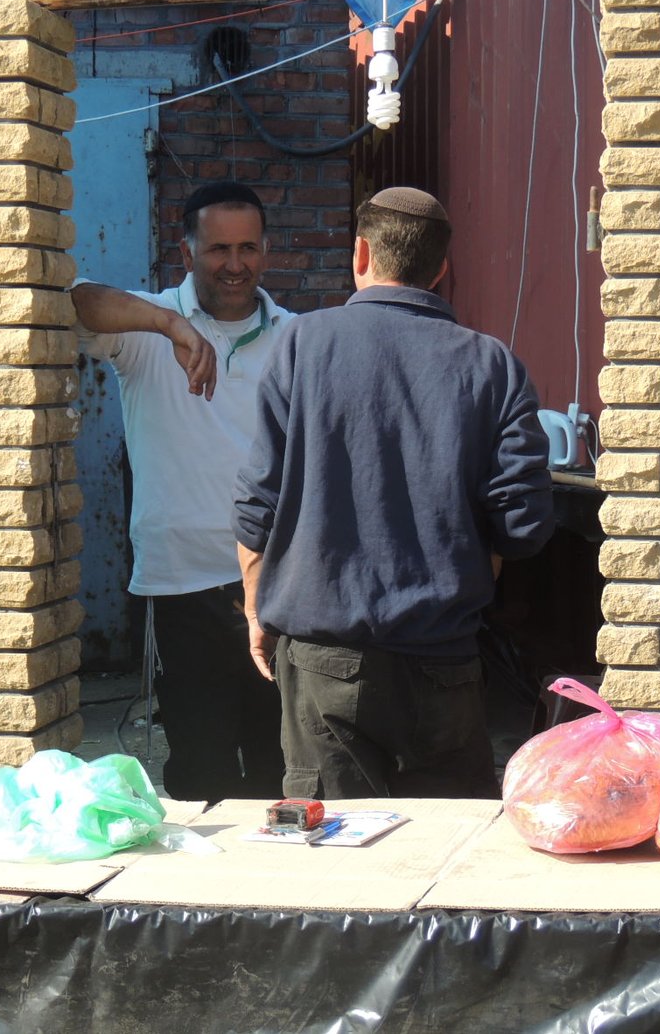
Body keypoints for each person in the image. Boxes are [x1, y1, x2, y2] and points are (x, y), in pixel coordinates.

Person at [231, 186, 555, 801]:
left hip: (323, 661)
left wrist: (256, 611)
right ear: (440, 268)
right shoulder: (494, 365)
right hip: (445, 660)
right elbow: (523, 525)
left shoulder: (302, 344)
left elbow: (257, 505)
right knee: (445, 853)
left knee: (336, 850)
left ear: (360, 254)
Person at [71, 181, 292, 803]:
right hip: (181, 586)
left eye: (248, 248)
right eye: (219, 248)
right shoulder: (145, 326)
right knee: (200, 768)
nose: (234, 264)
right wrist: (170, 324)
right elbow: (73, 301)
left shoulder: (295, 337)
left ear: (266, 251)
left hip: (276, 583)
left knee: (281, 765)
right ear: (187, 250)